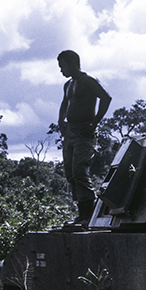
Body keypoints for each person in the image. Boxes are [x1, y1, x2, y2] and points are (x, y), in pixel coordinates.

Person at [57, 49, 111, 226]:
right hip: (70, 131)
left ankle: (89, 214)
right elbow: (65, 102)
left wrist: (94, 124)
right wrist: (61, 120)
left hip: (85, 131)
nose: (61, 70)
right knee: (70, 173)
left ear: (72, 64)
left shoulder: (89, 81)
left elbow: (106, 98)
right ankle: (81, 214)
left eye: (63, 66)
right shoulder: (68, 85)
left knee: (80, 170)